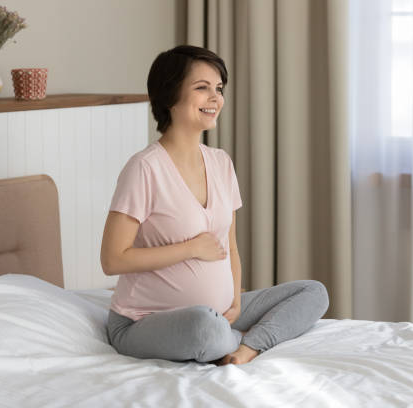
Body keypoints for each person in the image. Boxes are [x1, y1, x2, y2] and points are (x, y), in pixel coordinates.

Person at [101, 45, 329, 365]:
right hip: (145, 321)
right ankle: (230, 338)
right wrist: (190, 248)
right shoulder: (144, 168)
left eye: (219, 89)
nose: (216, 98)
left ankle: (247, 346)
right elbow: (112, 259)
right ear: (169, 95)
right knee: (204, 329)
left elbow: (229, 247)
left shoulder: (221, 162)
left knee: (314, 292)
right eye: (202, 88)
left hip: (222, 313)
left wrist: (235, 299)